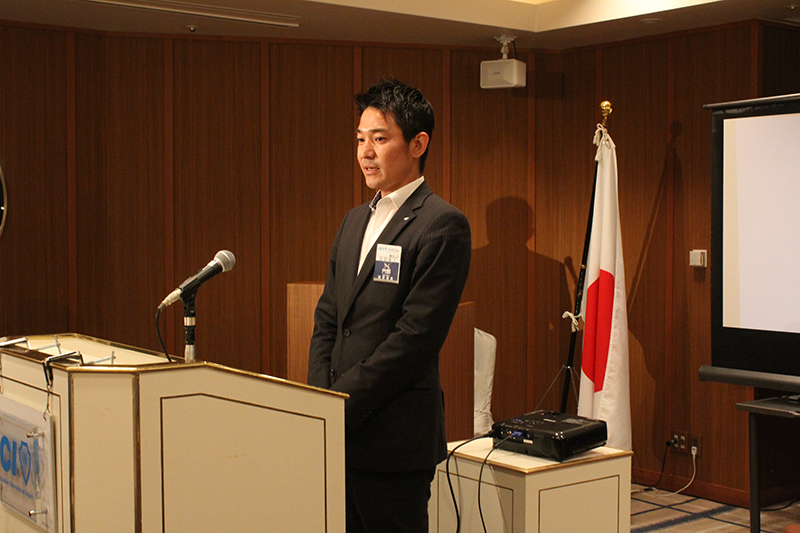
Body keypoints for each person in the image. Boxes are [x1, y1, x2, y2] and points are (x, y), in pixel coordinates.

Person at [307, 78, 471, 533]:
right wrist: (317, 398)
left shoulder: (442, 224)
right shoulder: (353, 220)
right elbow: (328, 318)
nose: (366, 152)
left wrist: (340, 402)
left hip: (394, 438)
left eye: (379, 139)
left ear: (418, 144)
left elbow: (415, 340)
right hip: (337, 429)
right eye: (360, 139)